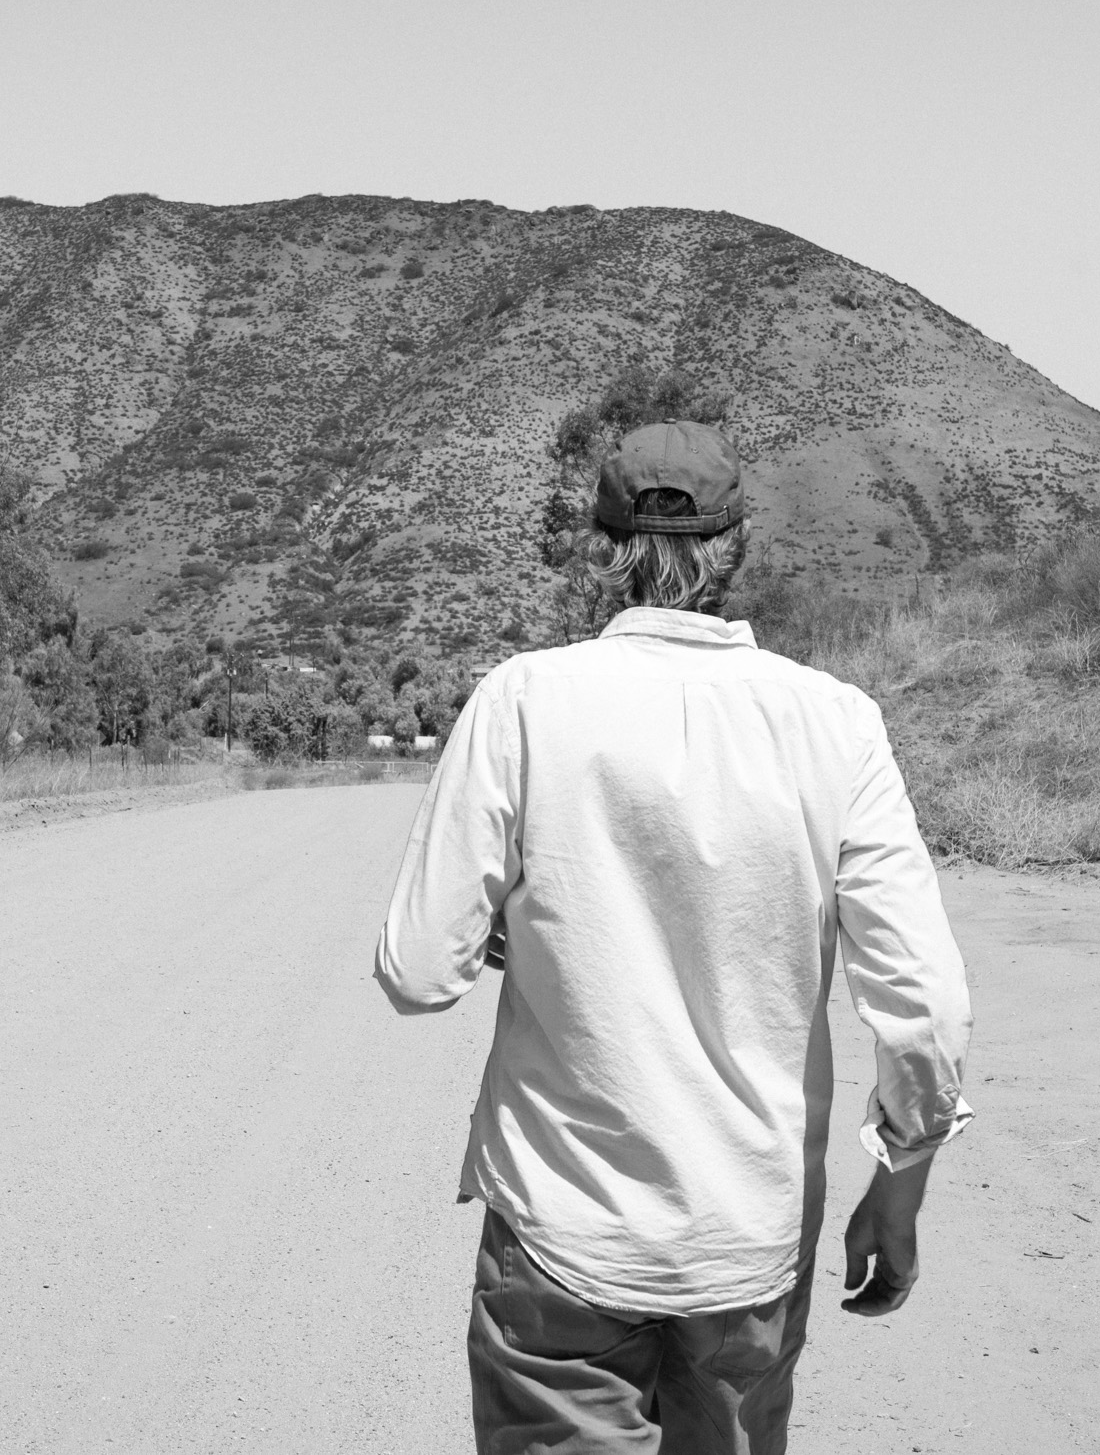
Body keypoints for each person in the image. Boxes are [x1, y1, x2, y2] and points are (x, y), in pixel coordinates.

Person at [374, 420, 973, 1453]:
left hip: (561, 1244)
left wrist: (528, 924)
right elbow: (924, 1011)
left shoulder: (524, 701)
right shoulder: (837, 721)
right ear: (738, 548)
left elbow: (420, 971)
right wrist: (902, 1183)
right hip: (748, 1245)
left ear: (599, 551)